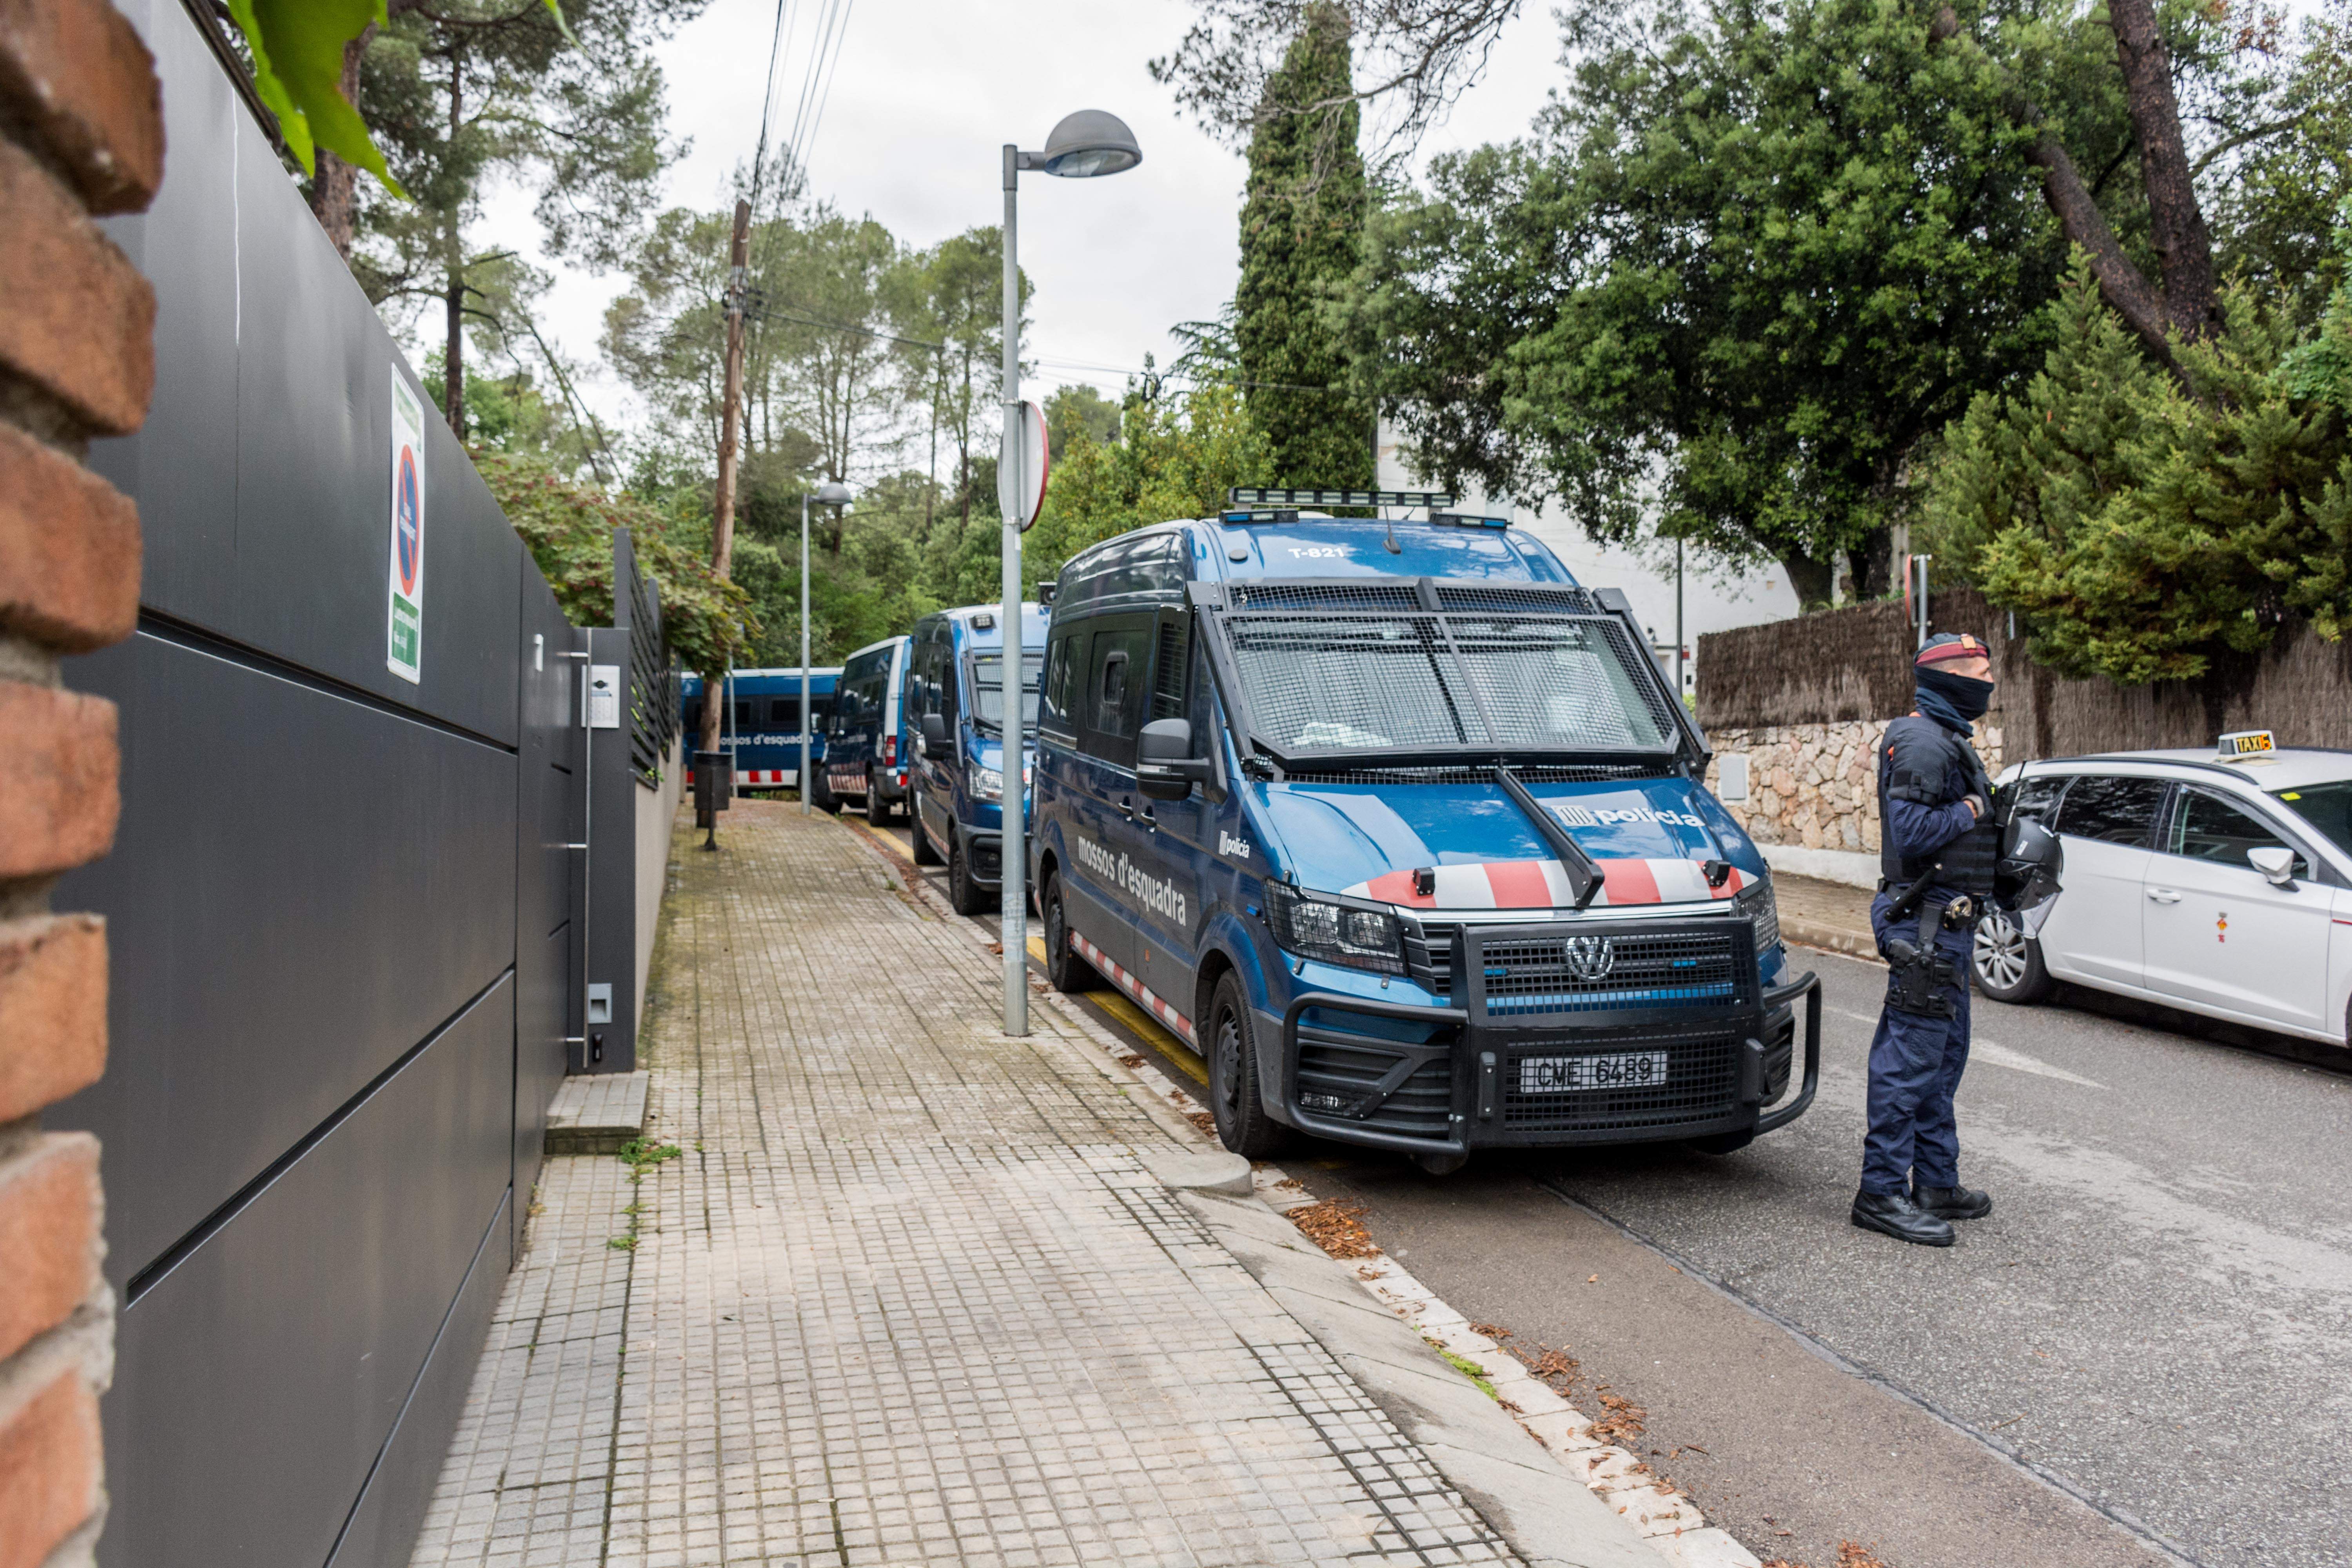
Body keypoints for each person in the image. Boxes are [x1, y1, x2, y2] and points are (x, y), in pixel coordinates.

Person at [1852, 633, 2001, 1247]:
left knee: (1941, 1061)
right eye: (1979, 673)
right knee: (1908, 1065)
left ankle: (1936, 1182)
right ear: (1950, 678)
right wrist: (1973, 811)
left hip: (1948, 926)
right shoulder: (1921, 741)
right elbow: (1913, 832)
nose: (1988, 683)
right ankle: (1880, 1194)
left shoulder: (1946, 739)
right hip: (1925, 927)